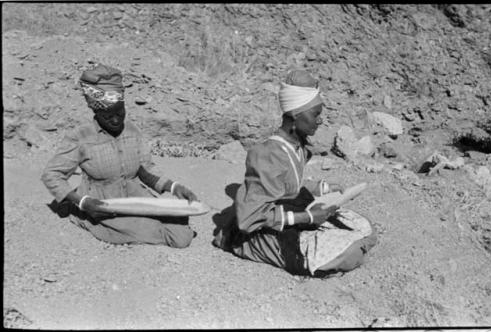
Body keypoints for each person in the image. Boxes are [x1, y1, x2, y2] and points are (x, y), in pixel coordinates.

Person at [213, 70, 377, 276]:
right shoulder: (268, 155)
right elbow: (248, 219)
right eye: (315, 114)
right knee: (353, 252)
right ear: (294, 115)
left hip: (287, 214)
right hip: (258, 232)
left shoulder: (297, 147)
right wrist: (306, 217)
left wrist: (321, 188)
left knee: (363, 228)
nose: (320, 121)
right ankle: (244, 245)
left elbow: (286, 186)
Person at [41, 64, 198, 248]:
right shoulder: (81, 136)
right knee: (173, 237)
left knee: (180, 231)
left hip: (134, 196)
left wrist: (174, 187)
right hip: (103, 204)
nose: (116, 120)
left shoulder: (132, 130)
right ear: (96, 111)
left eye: (120, 112)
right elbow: (51, 175)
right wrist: (83, 202)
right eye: (108, 115)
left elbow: (145, 170)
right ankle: (79, 213)